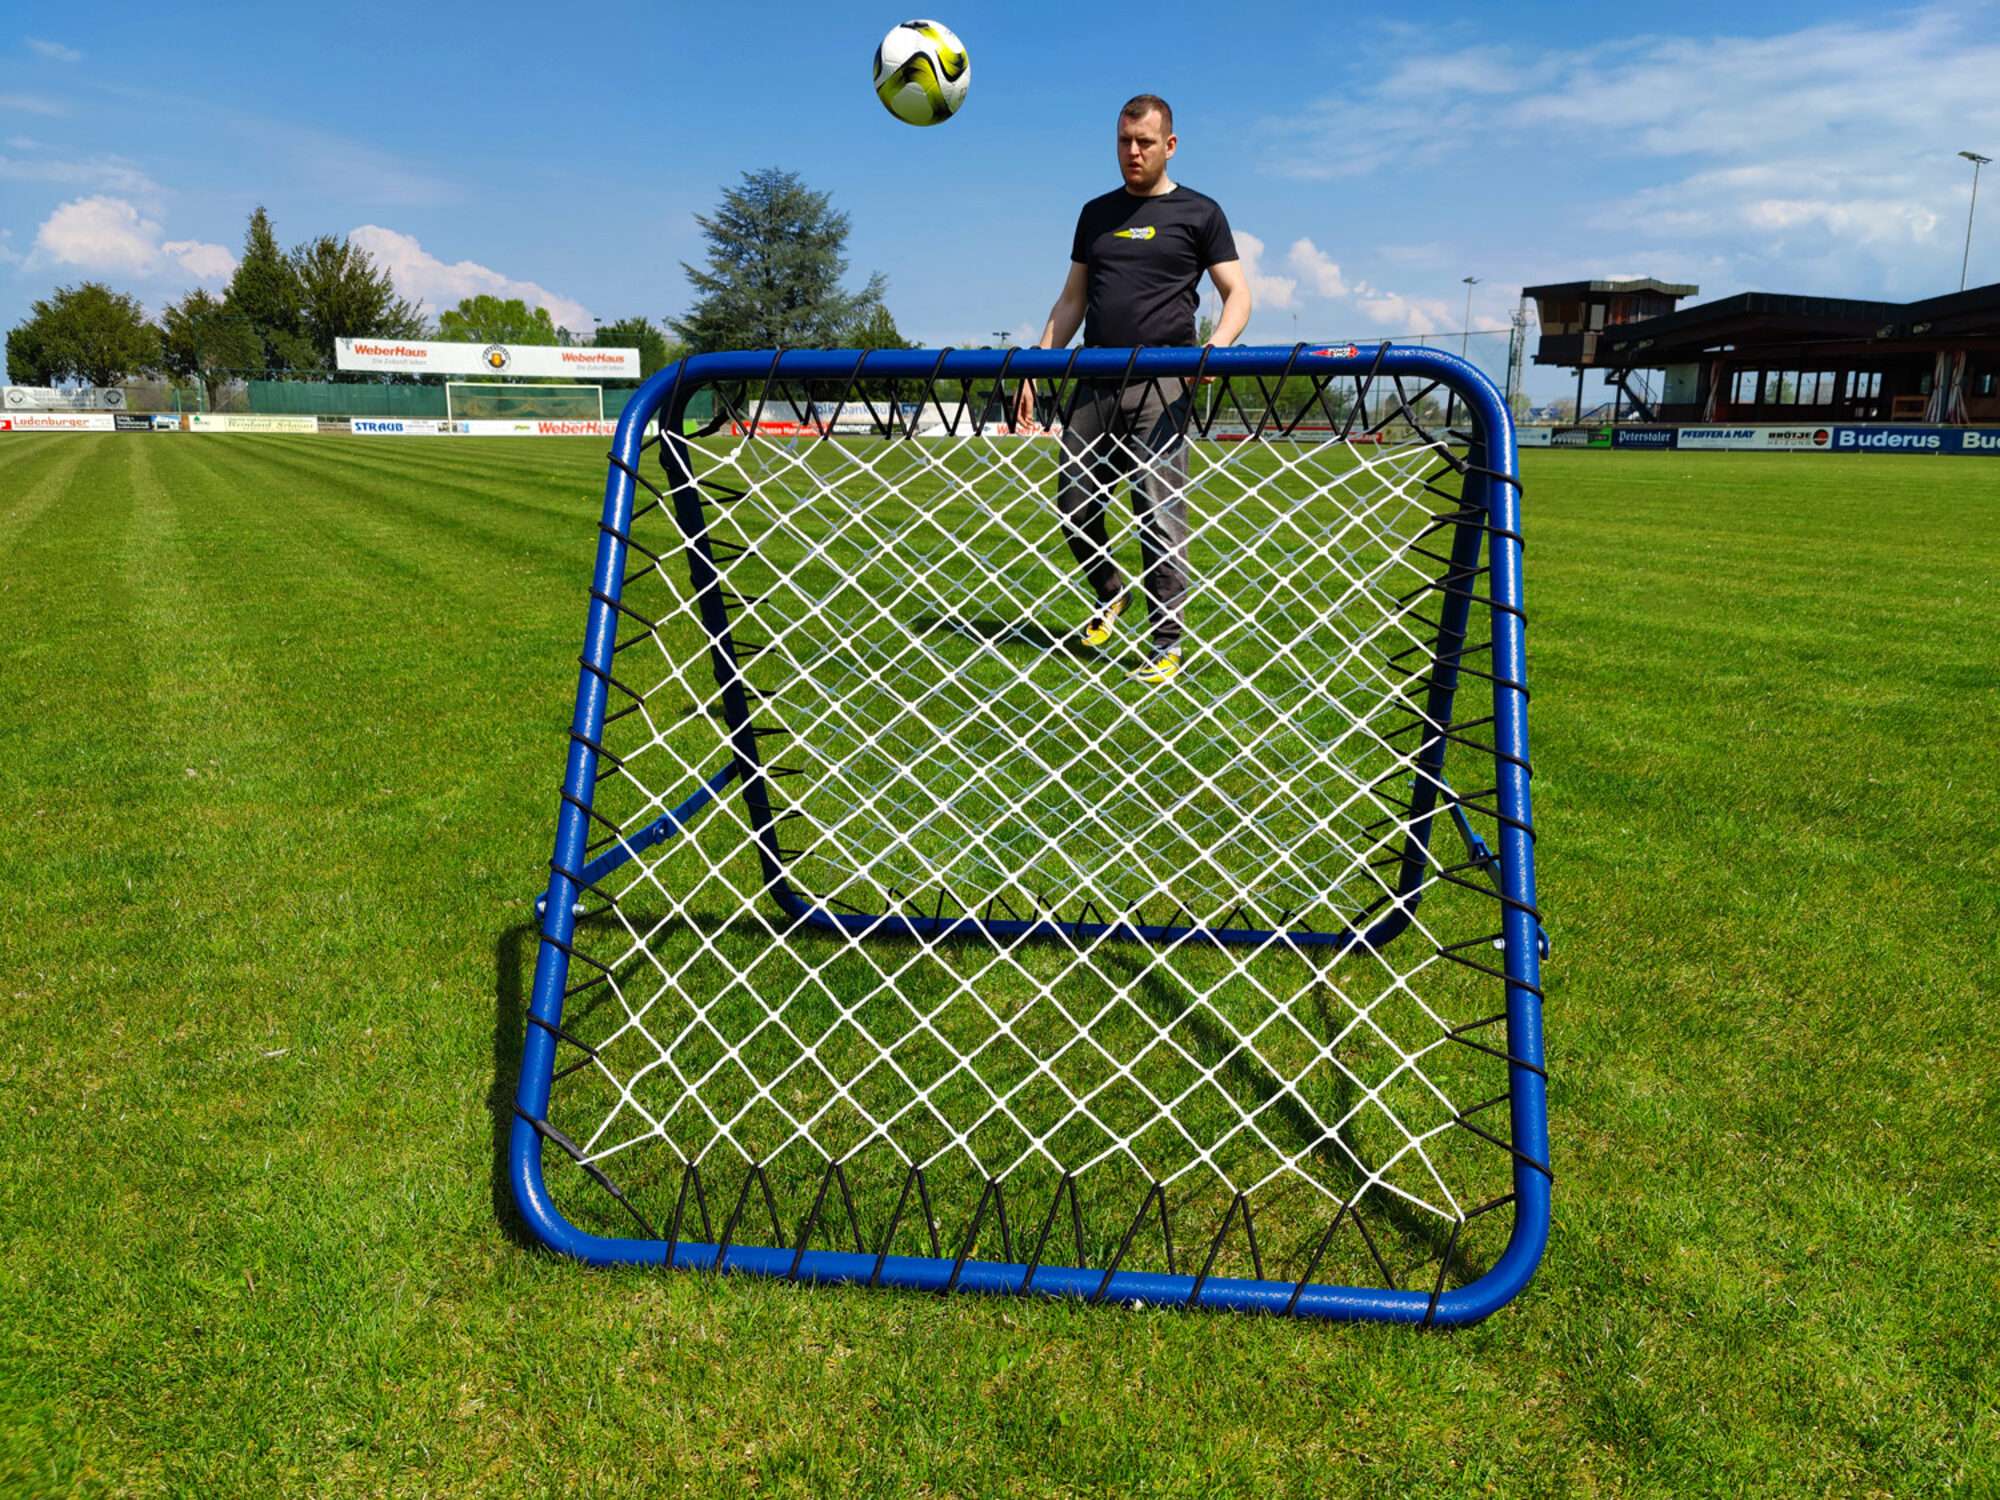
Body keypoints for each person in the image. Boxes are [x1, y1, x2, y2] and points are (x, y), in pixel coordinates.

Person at [1016, 93, 1252, 685]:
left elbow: (1237, 294)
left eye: (1144, 142)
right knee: (1073, 507)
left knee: (1157, 512)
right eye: (1124, 141)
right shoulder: (1095, 214)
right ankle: (1110, 591)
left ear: (1169, 145)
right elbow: (1072, 299)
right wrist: (1037, 364)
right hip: (1096, 377)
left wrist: (1217, 346)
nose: (1133, 151)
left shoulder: (1200, 213)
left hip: (1164, 382)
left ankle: (1166, 644)